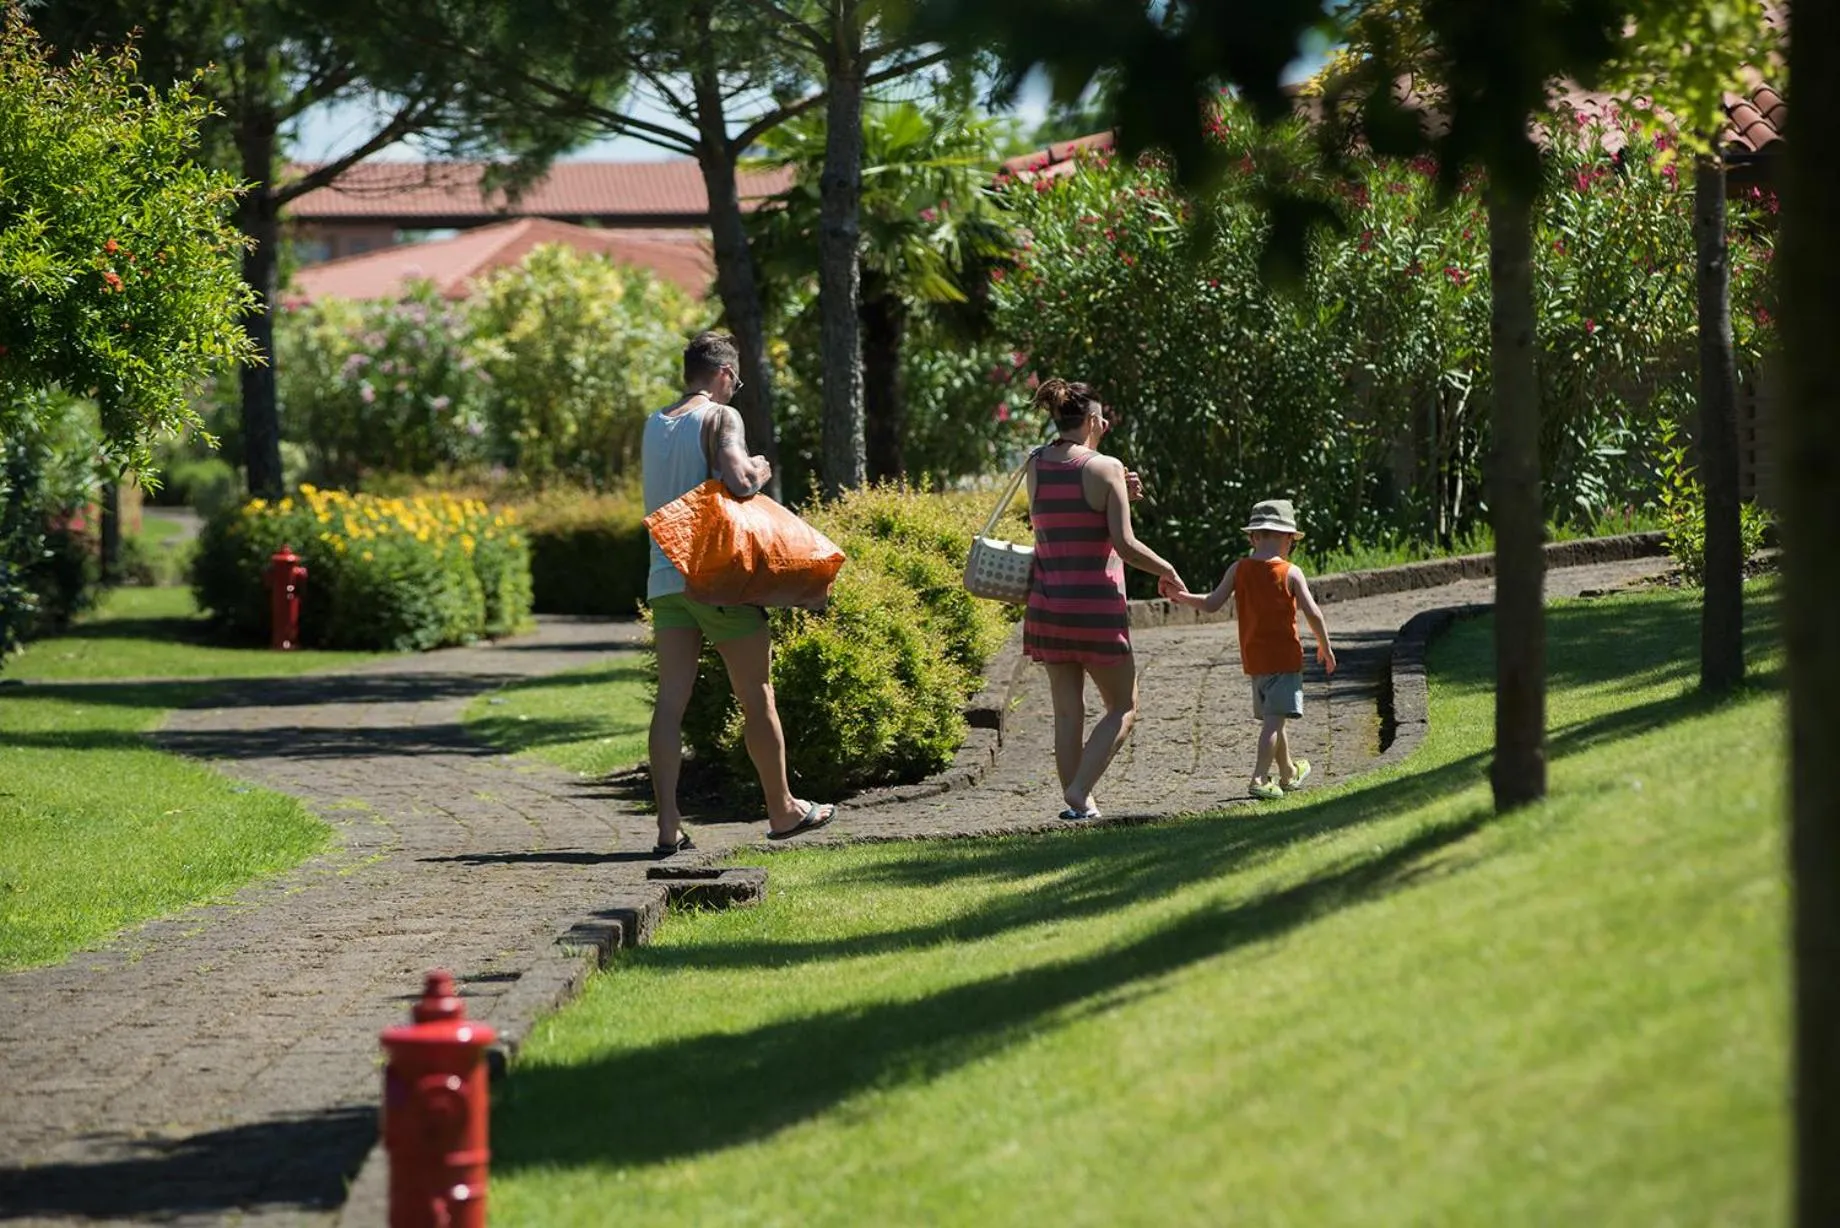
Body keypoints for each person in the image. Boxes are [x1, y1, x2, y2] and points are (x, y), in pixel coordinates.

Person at [643, 331, 837, 855]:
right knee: (757, 696)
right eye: (737, 380)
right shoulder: (722, 417)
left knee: (671, 702)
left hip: (665, 577)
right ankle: (784, 810)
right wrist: (759, 469)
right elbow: (739, 479)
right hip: (717, 579)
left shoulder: (654, 424)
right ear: (725, 375)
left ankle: (667, 827)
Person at [1023, 378, 1184, 822]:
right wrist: (1166, 568)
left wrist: (1120, 495)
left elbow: (1062, 513)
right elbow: (1125, 544)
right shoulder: (1105, 467)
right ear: (1094, 420)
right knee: (1123, 706)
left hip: (1047, 606)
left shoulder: (1035, 463)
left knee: (1066, 712)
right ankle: (1079, 791)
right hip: (1095, 609)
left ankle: (1079, 804)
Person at [1170, 499, 1337, 800]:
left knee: (1275, 716)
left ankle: (1287, 772)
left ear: (1253, 537)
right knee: (1274, 722)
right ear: (1288, 538)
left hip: (1254, 660)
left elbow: (1210, 603)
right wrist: (1325, 646)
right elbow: (1313, 613)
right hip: (1284, 659)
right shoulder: (1291, 572)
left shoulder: (1238, 569)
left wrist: (1181, 596)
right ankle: (1259, 778)